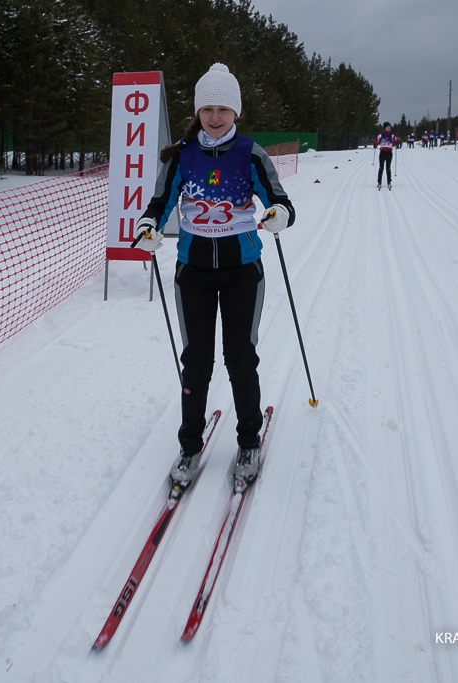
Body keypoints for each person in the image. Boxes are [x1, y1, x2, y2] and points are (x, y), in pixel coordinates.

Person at [134, 64, 295, 487]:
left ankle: (247, 440)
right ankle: (189, 447)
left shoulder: (250, 153)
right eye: (208, 108)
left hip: (244, 271)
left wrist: (278, 215)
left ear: (235, 112)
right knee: (197, 362)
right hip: (195, 273)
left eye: (223, 108)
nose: (215, 116)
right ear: (198, 111)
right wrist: (148, 228)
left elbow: (279, 199)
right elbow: (158, 205)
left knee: (241, 358)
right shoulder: (181, 155)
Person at [375, 122, 397, 189]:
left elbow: (395, 142)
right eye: (388, 127)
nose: (389, 128)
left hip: (389, 153)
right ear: (385, 128)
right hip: (382, 152)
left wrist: (396, 143)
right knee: (381, 167)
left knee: (388, 168)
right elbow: (377, 141)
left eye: (390, 127)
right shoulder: (381, 135)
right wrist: (375, 143)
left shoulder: (392, 135)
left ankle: (389, 182)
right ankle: (379, 182)